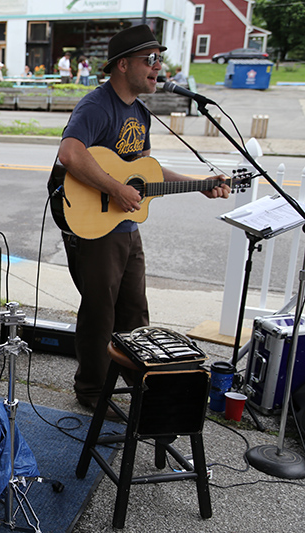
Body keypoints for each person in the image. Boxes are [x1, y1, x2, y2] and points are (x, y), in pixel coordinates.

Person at [53, 25, 231, 413]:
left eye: (159, 59)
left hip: (127, 227)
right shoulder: (97, 106)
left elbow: (146, 170)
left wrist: (200, 184)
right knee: (101, 311)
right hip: (96, 225)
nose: (158, 66)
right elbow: (69, 152)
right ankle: (91, 391)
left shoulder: (140, 112)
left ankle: (137, 384)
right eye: (149, 59)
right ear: (122, 65)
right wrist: (115, 188)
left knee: (135, 311)